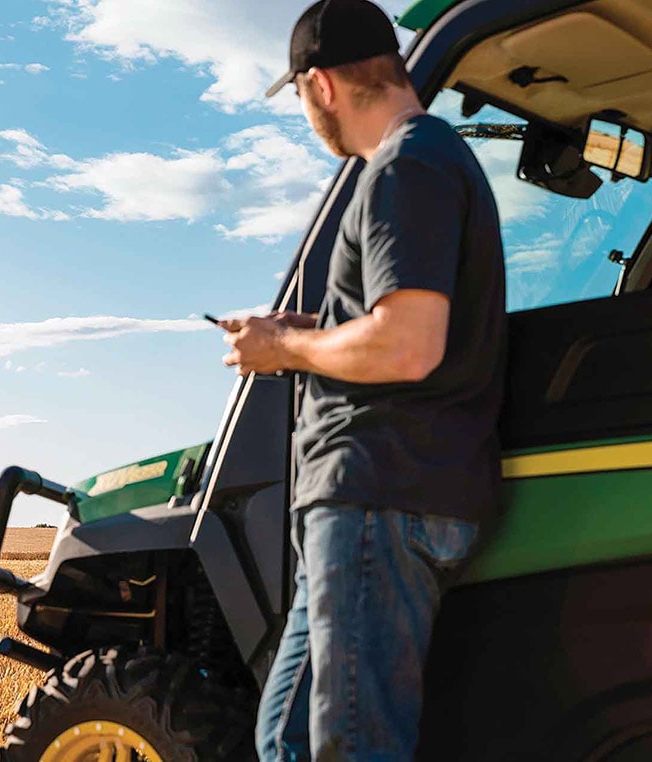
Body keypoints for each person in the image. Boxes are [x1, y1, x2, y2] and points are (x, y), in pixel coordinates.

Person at [220, 0, 507, 759]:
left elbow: (406, 345)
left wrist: (285, 354)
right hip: (379, 497)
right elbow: (393, 324)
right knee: (283, 738)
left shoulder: (404, 167)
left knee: (352, 746)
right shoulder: (431, 161)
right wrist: (295, 332)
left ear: (321, 85)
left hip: (378, 492)